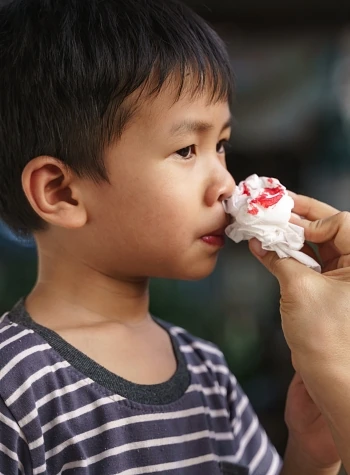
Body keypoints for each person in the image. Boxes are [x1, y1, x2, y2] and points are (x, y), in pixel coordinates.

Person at [0, 0, 347, 474]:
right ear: (62, 192)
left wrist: (313, 449)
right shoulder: (15, 387)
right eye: (187, 149)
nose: (226, 184)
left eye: (220, 145)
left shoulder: (206, 371)